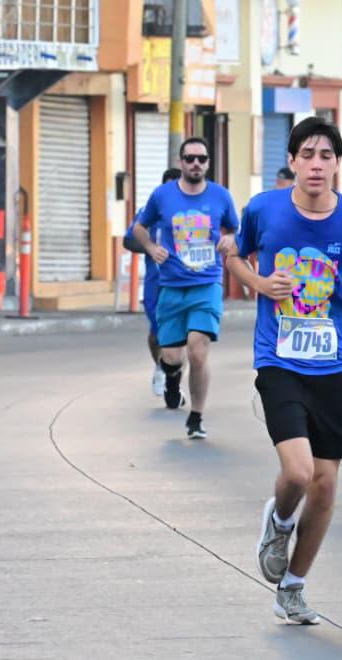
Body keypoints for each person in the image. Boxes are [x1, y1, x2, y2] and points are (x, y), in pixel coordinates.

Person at [225, 117, 342, 624]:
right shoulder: (264, 209)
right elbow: (233, 256)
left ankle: (293, 586)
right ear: (292, 161)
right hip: (280, 359)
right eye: (307, 154)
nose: (317, 164)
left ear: (339, 166)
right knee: (298, 472)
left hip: (334, 363)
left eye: (327, 156)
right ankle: (277, 521)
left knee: (324, 485)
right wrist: (259, 281)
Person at [133, 137, 240, 439]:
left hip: (207, 284)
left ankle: (196, 416)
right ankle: (171, 378)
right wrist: (151, 247)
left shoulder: (220, 196)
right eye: (190, 158)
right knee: (171, 355)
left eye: (201, 159)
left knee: (197, 350)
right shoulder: (162, 195)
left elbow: (234, 228)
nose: (196, 164)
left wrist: (230, 240)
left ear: (207, 163)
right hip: (171, 284)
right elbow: (140, 227)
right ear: (181, 162)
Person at [125, 167, 183, 397]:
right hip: (156, 284)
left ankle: (174, 381)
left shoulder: (194, 213)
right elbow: (128, 241)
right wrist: (151, 248)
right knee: (157, 334)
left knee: (182, 336)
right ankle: (161, 367)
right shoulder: (149, 212)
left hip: (185, 283)